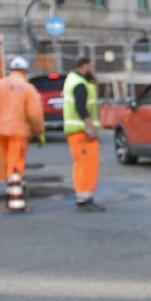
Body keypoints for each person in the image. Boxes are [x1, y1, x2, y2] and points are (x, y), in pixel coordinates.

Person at [0, 56, 45, 190]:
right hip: (19, 130)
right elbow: (35, 114)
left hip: (1, 129)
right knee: (16, 158)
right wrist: (40, 132)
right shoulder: (28, 88)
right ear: (25, 71)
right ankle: (15, 186)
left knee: (8, 157)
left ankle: (14, 182)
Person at [61, 55, 103, 212]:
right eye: (91, 67)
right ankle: (84, 199)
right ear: (85, 66)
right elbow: (81, 107)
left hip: (77, 132)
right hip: (82, 132)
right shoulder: (79, 83)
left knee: (83, 164)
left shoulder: (75, 80)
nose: (93, 70)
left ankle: (84, 197)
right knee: (87, 165)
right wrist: (91, 127)